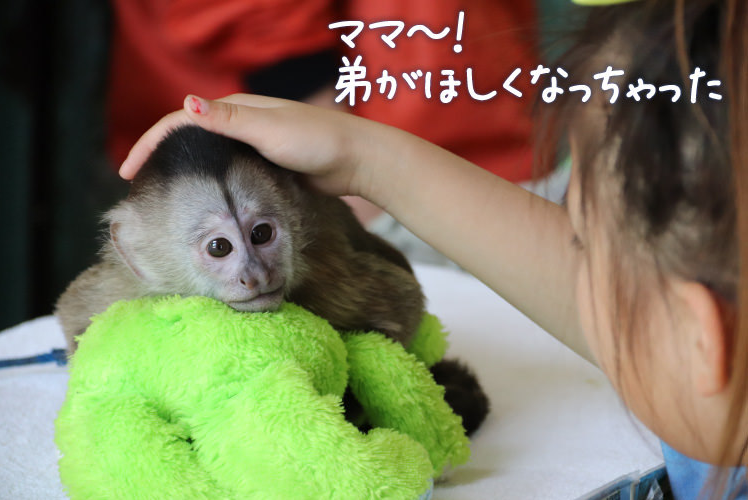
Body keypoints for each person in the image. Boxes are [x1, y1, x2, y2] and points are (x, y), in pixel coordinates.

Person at [119, 0, 747, 498]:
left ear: (698, 340)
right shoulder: (717, 397)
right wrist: (366, 158)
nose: (565, 260)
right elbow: (628, 317)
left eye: (577, 241)